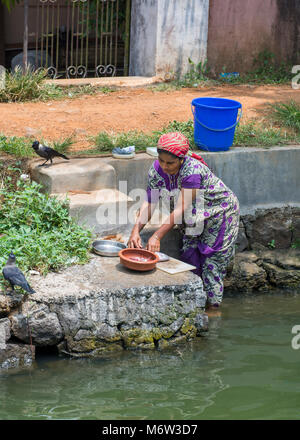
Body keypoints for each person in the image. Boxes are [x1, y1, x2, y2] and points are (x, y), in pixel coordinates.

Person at [128, 132, 240, 311]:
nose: (164, 166)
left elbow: (180, 208)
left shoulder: (192, 171)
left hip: (219, 214)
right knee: (189, 256)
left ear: (181, 159)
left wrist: (157, 236)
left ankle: (213, 309)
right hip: (193, 217)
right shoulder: (156, 171)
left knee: (212, 262)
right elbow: (150, 202)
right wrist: (135, 231)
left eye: (170, 163)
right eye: (161, 160)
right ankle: (194, 305)